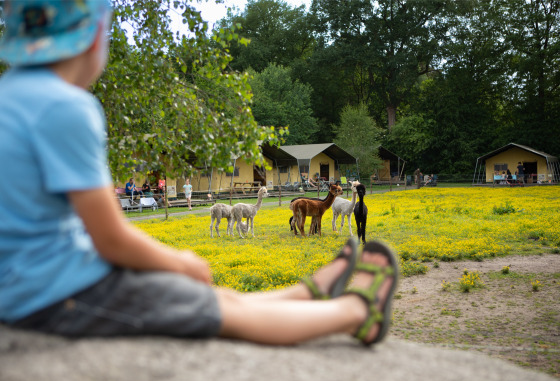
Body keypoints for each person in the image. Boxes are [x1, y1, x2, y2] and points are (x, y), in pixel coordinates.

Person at [0, 0, 398, 346]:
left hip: (22, 288)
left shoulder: (9, 97)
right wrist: (179, 262)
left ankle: (304, 294)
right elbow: (110, 237)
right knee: (216, 311)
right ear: (95, 35)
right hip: (56, 297)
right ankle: (355, 311)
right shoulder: (66, 107)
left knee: (203, 300)